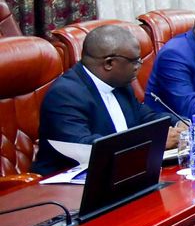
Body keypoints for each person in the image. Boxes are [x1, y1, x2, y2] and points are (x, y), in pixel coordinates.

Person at [33, 24, 180, 175]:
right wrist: (154, 141)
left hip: (121, 172)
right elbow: (84, 146)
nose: (138, 66)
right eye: (134, 61)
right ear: (109, 63)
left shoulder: (120, 85)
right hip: (70, 179)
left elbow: (144, 116)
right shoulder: (65, 94)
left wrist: (178, 124)